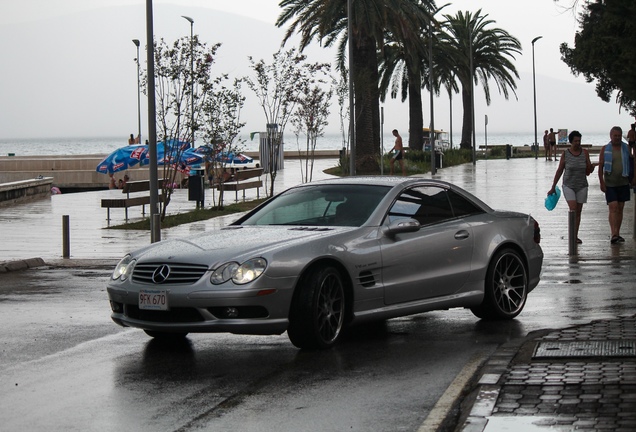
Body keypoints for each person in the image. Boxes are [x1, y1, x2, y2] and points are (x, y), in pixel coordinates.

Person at [547, 130, 595, 244]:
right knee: (573, 209)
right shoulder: (566, 154)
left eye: (579, 140)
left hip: (582, 185)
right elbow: (559, 170)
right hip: (568, 185)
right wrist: (553, 186)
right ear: (571, 142)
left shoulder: (585, 153)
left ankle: (575, 235)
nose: (578, 143)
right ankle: (572, 235)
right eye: (575, 141)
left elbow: (588, 171)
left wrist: (591, 168)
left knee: (578, 211)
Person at [598, 126, 633, 244]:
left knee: (620, 208)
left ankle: (618, 232)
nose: (617, 138)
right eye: (615, 136)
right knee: (613, 207)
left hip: (623, 182)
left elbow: (633, 162)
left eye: (619, 136)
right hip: (610, 183)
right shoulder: (605, 149)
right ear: (610, 136)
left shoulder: (627, 148)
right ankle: (613, 233)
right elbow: (601, 166)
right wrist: (601, 182)